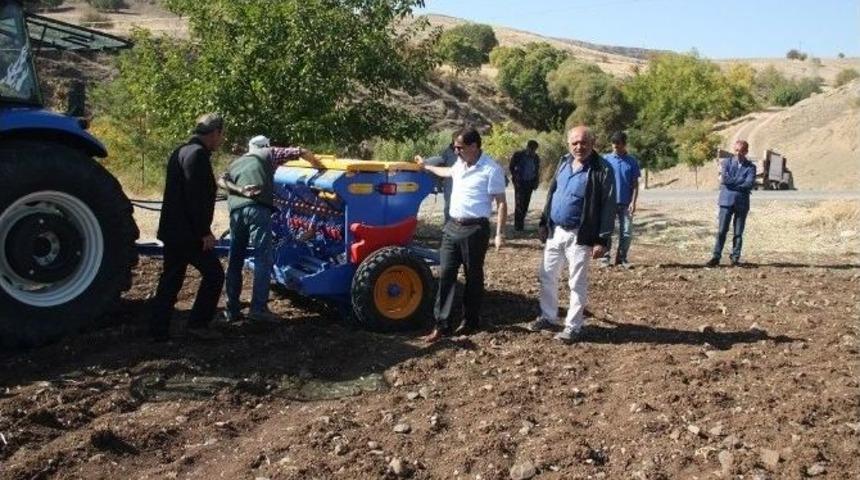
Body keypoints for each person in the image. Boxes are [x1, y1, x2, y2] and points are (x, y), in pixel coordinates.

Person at [218, 135, 324, 324]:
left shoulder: (237, 162)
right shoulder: (269, 153)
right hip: (258, 209)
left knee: (235, 259)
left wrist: (239, 190)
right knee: (263, 259)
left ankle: (231, 309)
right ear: (266, 145)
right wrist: (320, 167)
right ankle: (258, 310)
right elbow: (300, 151)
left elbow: (221, 180)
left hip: (236, 211)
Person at [417, 127, 507, 342]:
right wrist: (426, 166)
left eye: (459, 147)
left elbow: (501, 203)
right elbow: (447, 172)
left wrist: (499, 234)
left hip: (475, 229)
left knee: (473, 276)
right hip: (452, 227)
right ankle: (441, 325)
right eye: (455, 147)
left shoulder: (491, 169)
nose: (455, 151)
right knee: (446, 274)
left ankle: (470, 322)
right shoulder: (460, 163)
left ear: (474, 146)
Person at [528, 126, 616, 343]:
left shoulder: (602, 169)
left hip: (580, 235)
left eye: (584, 142)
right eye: (575, 143)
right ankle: (548, 316)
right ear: (568, 144)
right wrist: (544, 222)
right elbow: (553, 194)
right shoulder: (564, 162)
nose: (579, 147)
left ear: (593, 143)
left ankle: (574, 327)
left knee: (576, 282)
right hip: (556, 231)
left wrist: (602, 239)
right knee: (547, 276)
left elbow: (608, 206)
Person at [150, 113, 226, 341]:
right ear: (215, 133)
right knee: (214, 275)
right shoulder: (198, 155)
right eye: (221, 135)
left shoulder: (180, 151)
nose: (221, 140)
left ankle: (157, 329)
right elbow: (195, 198)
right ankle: (198, 324)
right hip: (189, 234)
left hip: (173, 231)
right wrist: (204, 232)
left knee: (171, 279)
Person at [707, 140, 756, 267]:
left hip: (742, 203)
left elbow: (749, 183)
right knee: (722, 231)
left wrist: (732, 183)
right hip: (726, 202)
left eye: (741, 151)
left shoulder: (751, 167)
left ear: (746, 152)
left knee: (738, 233)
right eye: (736, 150)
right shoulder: (726, 162)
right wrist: (740, 182)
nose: (738, 153)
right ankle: (716, 257)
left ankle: (735, 258)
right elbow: (725, 179)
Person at [600, 131, 640, 268]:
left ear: (624, 144)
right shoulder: (605, 160)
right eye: (613, 144)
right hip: (608, 202)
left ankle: (622, 258)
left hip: (626, 203)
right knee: (606, 231)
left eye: (618, 144)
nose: (615, 146)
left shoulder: (632, 161)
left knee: (627, 232)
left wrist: (633, 202)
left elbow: (635, 184)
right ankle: (605, 257)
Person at [415, 132, 458, 223]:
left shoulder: (480, 163)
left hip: (470, 214)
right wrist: (424, 163)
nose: (457, 149)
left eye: (460, 146)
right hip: (451, 199)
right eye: (455, 146)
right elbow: (439, 160)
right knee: (450, 216)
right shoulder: (449, 152)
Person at [509, 139, 541, 231]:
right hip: (520, 183)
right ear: (527, 147)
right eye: (531, 149)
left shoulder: (536, 158)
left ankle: (521, 224)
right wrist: (515, 177)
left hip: (530, 183)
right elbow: (511, 167)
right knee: (519, 204)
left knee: (526, 204)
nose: (533, 151)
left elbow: (536, 171)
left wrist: (536, 182)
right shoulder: (519, 155)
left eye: (534, 149)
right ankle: (518, 226)